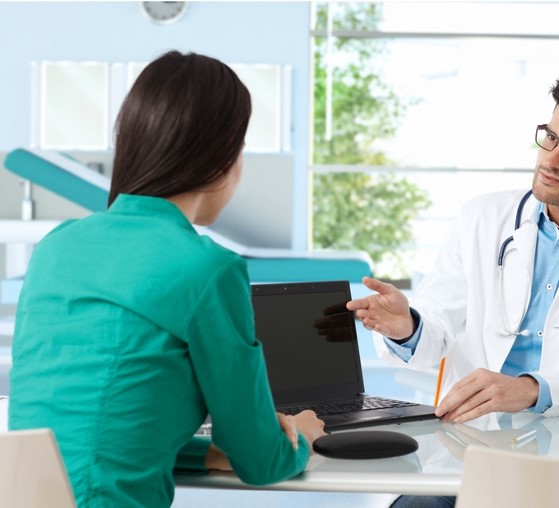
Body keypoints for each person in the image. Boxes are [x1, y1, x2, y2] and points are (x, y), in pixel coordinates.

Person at [347, 68, 559, 508]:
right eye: (550, 137)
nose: (550, 159)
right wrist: (406, 326)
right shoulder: (482, 218)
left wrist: (532, 388)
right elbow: (438, 327)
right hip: (467, 452)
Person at [9, 50, 325, 508]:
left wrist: (202, 454)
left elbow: (89, 422)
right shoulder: (208, 268)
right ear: (222, 160)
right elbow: (260, 460)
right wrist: (303, 439)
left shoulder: (57, 246)